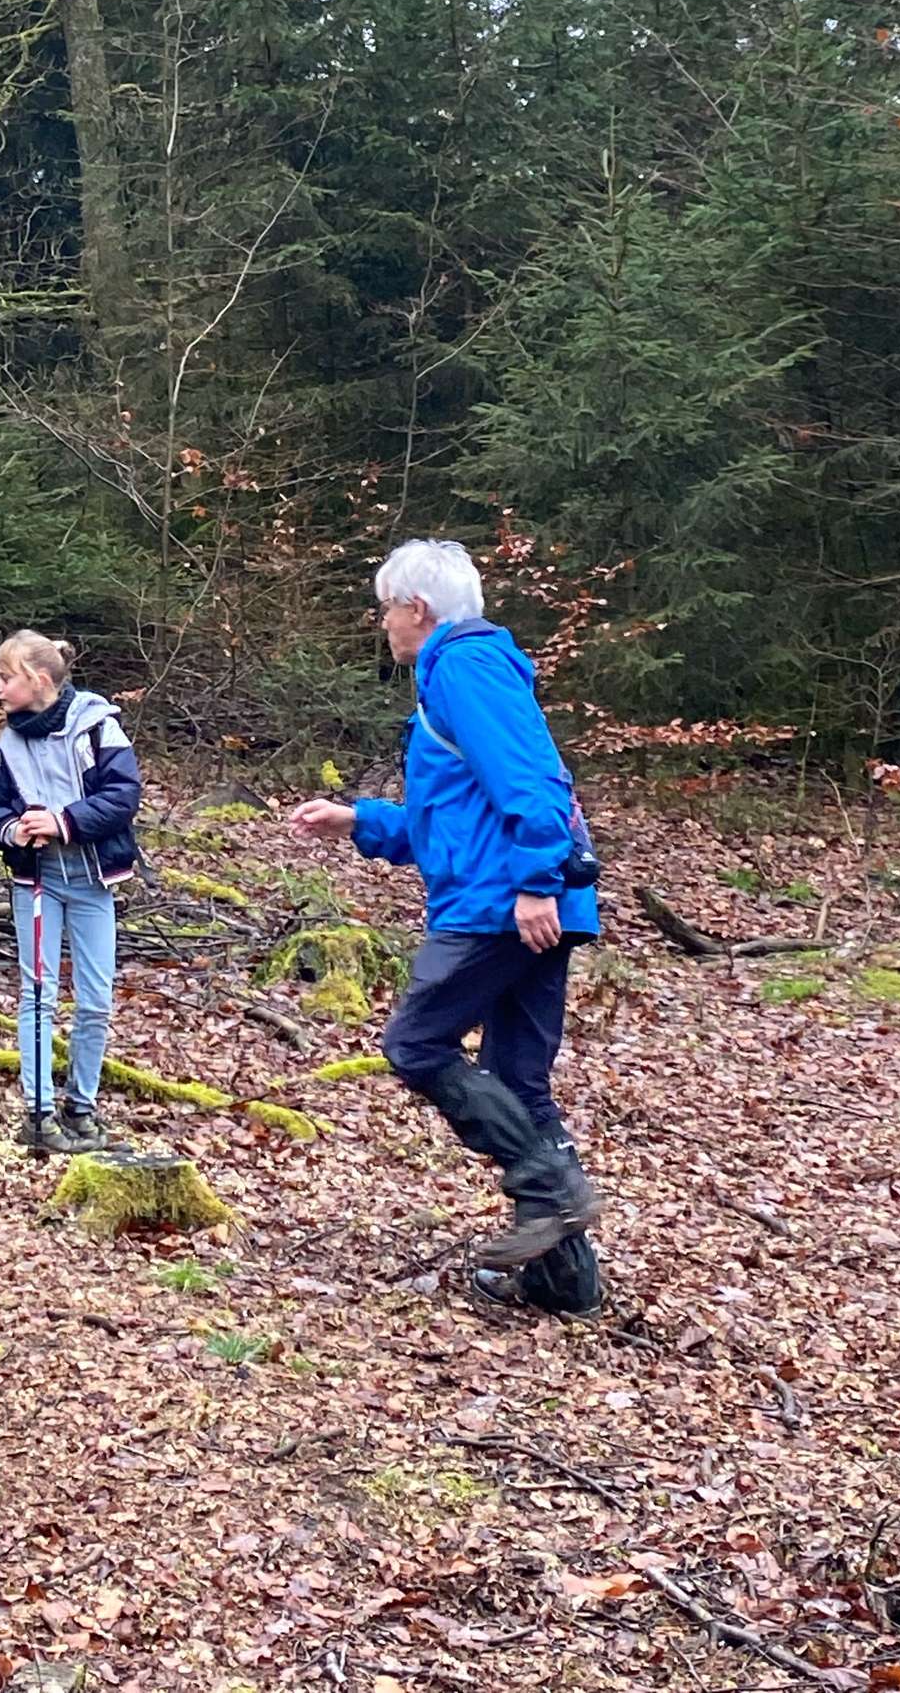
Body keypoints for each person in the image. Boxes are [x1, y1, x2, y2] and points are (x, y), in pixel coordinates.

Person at [290, 539, 604, 1312]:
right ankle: (566, 1282)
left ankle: (549, 1185)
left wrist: (537, 884)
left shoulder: (464, 666)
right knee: (517, 1080)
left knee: (415, 1043)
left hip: (503, 906)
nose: (383, 623)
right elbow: (451, 820)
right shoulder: (464, 673)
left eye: (386, 608)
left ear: (418, 608)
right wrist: (360, 819)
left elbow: (532, 781)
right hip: (521, 898)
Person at [0, 630, 144, 1156]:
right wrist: (14, 831)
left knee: (95, 1000)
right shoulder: (7, 742)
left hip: (93, 881)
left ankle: (81, 1109)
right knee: (38, 994)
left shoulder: (98, 725)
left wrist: (62, 821)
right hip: (38, 882)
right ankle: (38, 1114)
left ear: (40, 680)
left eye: (6, 678)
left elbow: (123, 795)